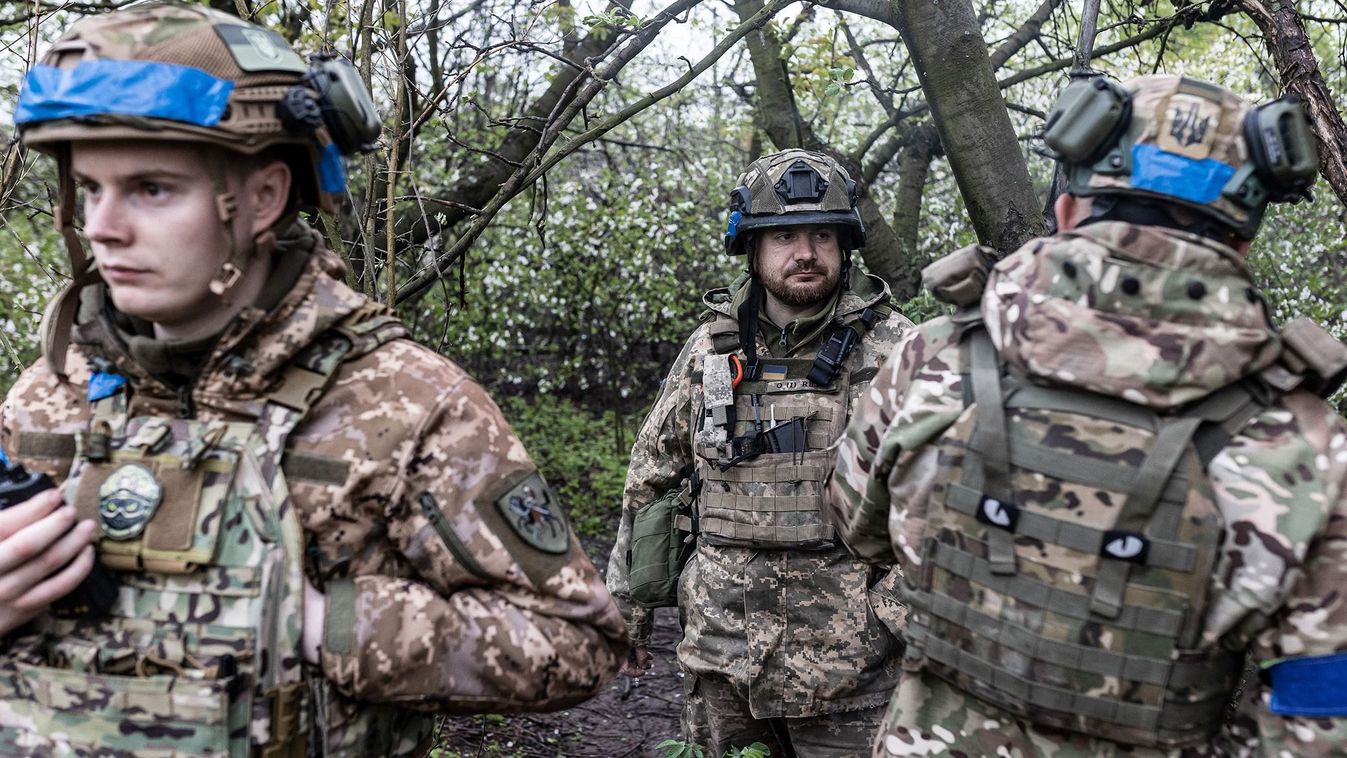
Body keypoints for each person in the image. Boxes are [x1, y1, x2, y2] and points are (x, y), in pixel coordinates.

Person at [0, 4, 627, 755]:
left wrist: (320, 620)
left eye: (151, 189)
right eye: (91, 188)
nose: (104, 225)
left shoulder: (401, 400)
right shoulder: (49, 389)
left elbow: (576, 643)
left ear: (262, 198)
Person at [828, 73, 1347, 756]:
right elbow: (1318, 720)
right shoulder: (1309, 448)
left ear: (1069, 207)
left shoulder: (933, 357)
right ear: (1241, 240)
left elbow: (856, 529)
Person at [606, 149, 913, 756]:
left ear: (844, 246)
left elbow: (942, 498)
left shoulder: (895, 349)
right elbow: (654, 474)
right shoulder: (710, 351)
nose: (806, 252)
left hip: (851, 668)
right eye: (784, 236)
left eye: (822, 235)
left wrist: (896, 616)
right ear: (753, 247)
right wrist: (629, 609)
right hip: (723, 655)